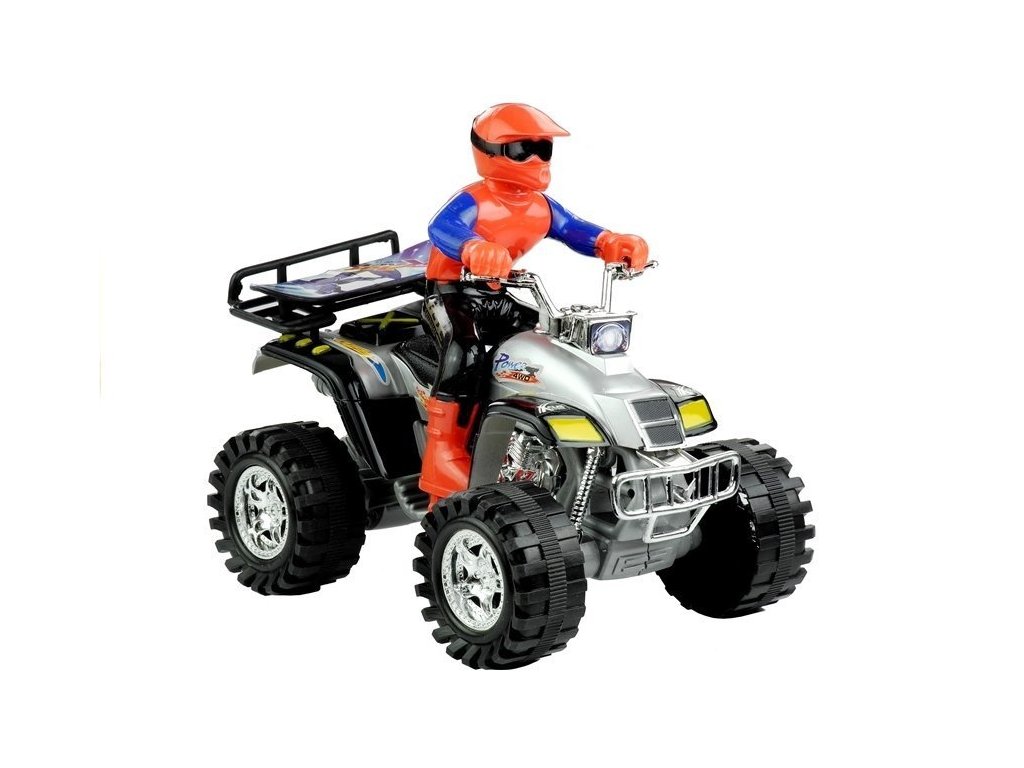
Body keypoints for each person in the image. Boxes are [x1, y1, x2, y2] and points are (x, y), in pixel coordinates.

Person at [419, 103, 649, 503]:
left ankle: (527, 436)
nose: (536, 160)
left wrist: (609, 241)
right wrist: (472, 247)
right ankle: (444, 454)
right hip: (451, 293)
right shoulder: (476, 200)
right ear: (489, 152)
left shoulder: (540, 206)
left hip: (497, 295)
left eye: (543, 149)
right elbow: (442, 227)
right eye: (522, 150)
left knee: (547, 342)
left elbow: (573, 229)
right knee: (465, 351)